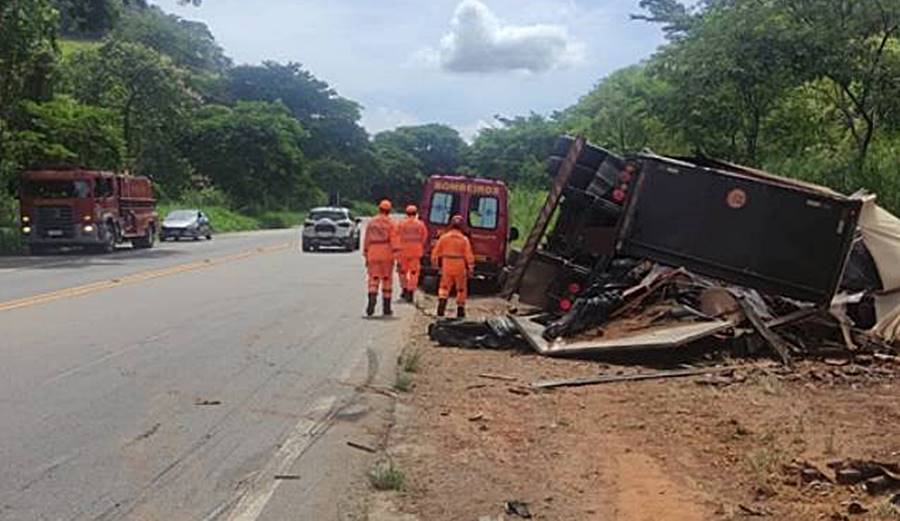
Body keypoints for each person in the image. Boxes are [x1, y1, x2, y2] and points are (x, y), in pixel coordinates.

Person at [430, 214, 474, 318]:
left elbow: (435, 253)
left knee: (444, 287)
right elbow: (469, 255)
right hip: (460, 265)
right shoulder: (464, 239)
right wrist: (471, 268)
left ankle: (441, 307)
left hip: (447, 264)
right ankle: (460, 311)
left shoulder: (444, 237)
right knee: (461, 289)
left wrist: (435, 265)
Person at [363, 199, 398, 316]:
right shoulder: (391, 223)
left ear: (379, 209)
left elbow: (366, 239)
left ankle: (371, 299)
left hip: (373, 251)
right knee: (387, 280)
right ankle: (386, 308)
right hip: (386, 252)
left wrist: (366, 254)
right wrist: (396, 255)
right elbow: (394, 240)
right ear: (389, 211)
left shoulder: (372, 222)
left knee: (374, 278)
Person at [397, 205, 428, 303]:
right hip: (416, 252)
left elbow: (396, 236)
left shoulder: (401, 224)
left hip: (402, 251)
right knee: (414, 273)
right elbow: (424, 237)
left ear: (406, 213)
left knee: (402, 272)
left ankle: (404, 289)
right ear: (416, 213)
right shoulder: (420, 224)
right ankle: (410, 291)